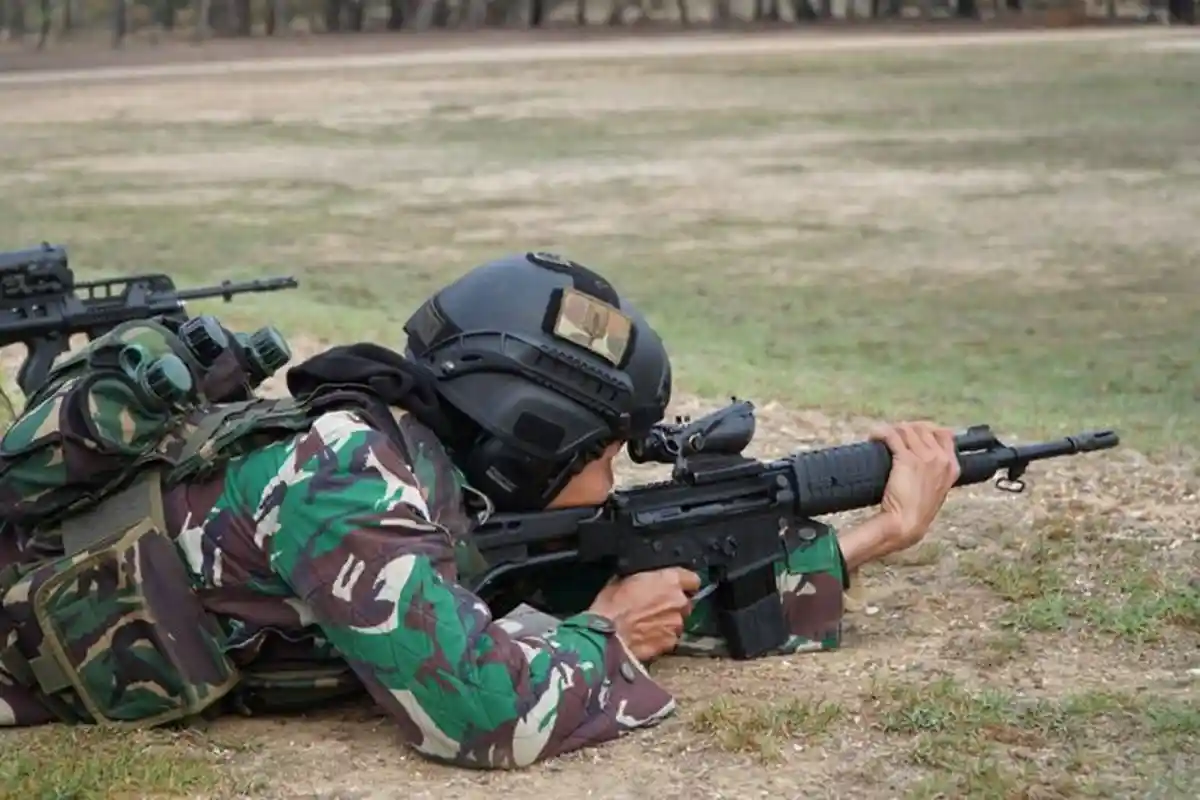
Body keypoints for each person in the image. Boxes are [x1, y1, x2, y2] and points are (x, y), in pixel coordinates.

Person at [0, 251, 960, 769]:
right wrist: (603, 638)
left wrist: (876, 533)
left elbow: (598, 592)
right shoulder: (354, 478)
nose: (618, 470)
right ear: (530, 441)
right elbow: (483, 714)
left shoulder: (434, 472)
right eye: (603, 450)